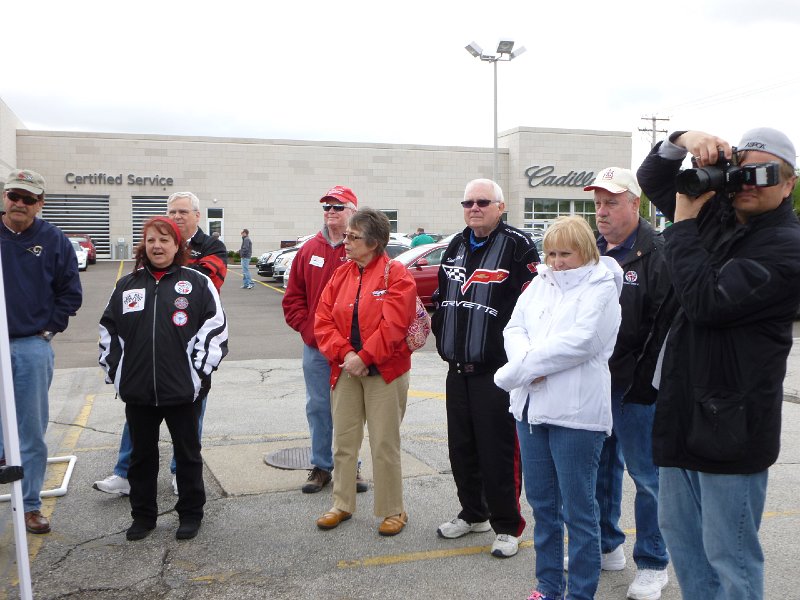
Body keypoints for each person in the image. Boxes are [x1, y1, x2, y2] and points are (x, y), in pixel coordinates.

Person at [630, 127, 800, 599]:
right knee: (687, 553)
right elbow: (653, 178)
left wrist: (684, 226)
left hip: (732, 429)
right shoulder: (719, 216)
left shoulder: (787, 245)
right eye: (741, 172)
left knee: (731, 560)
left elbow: (707, 301)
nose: (749, 182)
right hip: (682, 414)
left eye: (766, 174)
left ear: (789, 184)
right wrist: (684, 139)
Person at [494, 215, 622, 600]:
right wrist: (525, 368)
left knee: (579, 512)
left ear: (585, 251)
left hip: (577, 415)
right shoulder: (538, 284)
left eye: (565, 253)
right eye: (550, 253)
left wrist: (520, 370)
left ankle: (580, 594)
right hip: (532, 412)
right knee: (543, 508)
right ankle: (548, 587)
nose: (557, 261)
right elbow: (513, 329)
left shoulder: (602, 287)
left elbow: (582, 342)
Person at [99, 216, 228, 541]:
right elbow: (108, 331)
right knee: (142, 458)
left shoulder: (197, 283)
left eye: (164, 240)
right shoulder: (127, 285)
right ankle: (143, 517)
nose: (157, 246)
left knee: (187, 455)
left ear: (177, 246)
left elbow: (216, 329)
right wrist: (118, 375)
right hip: (138, 391)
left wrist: (196, 375)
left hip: (184, 391)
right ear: (144, 245)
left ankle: (191, 514)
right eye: (151, 240)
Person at [432, 178, 540, 558]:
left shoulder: (517, 245)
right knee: (461, 448)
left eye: (482, 202)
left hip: (496, 370)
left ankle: (507, 525)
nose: (474, 208)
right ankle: (473, 513)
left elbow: (534, 304)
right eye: (468, 202)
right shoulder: (457, 244)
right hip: (456, 369)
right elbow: (441, 297)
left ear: (500, 205)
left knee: (499, 451)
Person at [582, 167, 671, 599]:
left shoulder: (659, 251)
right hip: (596, 383)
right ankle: (606, 545)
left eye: (611, 202)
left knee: (647, 476)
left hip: (637, 386)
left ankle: (654, 561)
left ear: (635, 204)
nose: (602, 211)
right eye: (598, 203)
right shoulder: (591, 250)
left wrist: (644, 382)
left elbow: (662, 324)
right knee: (600, 469)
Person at [313, 208, 417, 535]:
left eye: (353, 237)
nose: (345, 241)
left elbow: (395, 325)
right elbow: (323, 321)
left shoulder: (396, 274)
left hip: (384, 372)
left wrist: (366, 356)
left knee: (384, 443)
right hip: (345, 369)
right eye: (346, 236)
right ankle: (341, 503)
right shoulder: (341, 275)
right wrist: (345, 353)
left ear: (373, 242)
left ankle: (393, 510)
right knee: (344, 440)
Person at [0, 169, 82, 534]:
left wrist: (49, 327)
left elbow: (70, 292)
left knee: (29, 429)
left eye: (28, 199)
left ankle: (30, 504)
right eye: (14, 196)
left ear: (40, 204)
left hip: (31, 346)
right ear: (5, 197)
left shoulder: (54, 241)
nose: (19, 204)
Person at [282, 185, 368, 494]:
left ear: (353, 212)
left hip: (352, 350)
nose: (330, 212)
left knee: (350, 409)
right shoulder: (309, 250)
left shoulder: (362, 248)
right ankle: (321, 466)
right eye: (326, 207)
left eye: (337, 207)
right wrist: (308, 330)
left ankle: (351, 467)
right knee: (318, 406)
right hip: (317, 348)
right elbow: (293, 298)